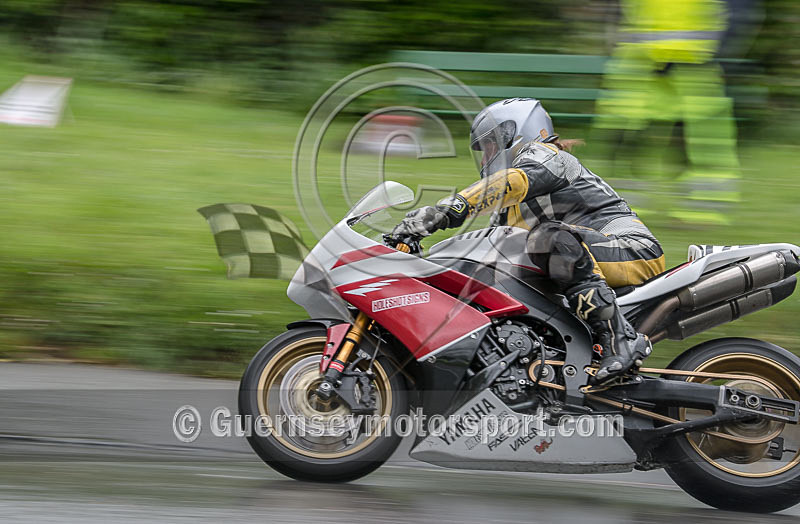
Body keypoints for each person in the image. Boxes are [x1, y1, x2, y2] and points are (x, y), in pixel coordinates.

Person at [391, 98, 666, 384]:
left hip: (630, 247)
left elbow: (515, 181)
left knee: (548, 238)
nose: (485, 160)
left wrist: (448, 210)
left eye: (490, 147)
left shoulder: (550, 157)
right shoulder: (507, 211)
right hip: (588, 256)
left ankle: (621, 340)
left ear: (516, 134)